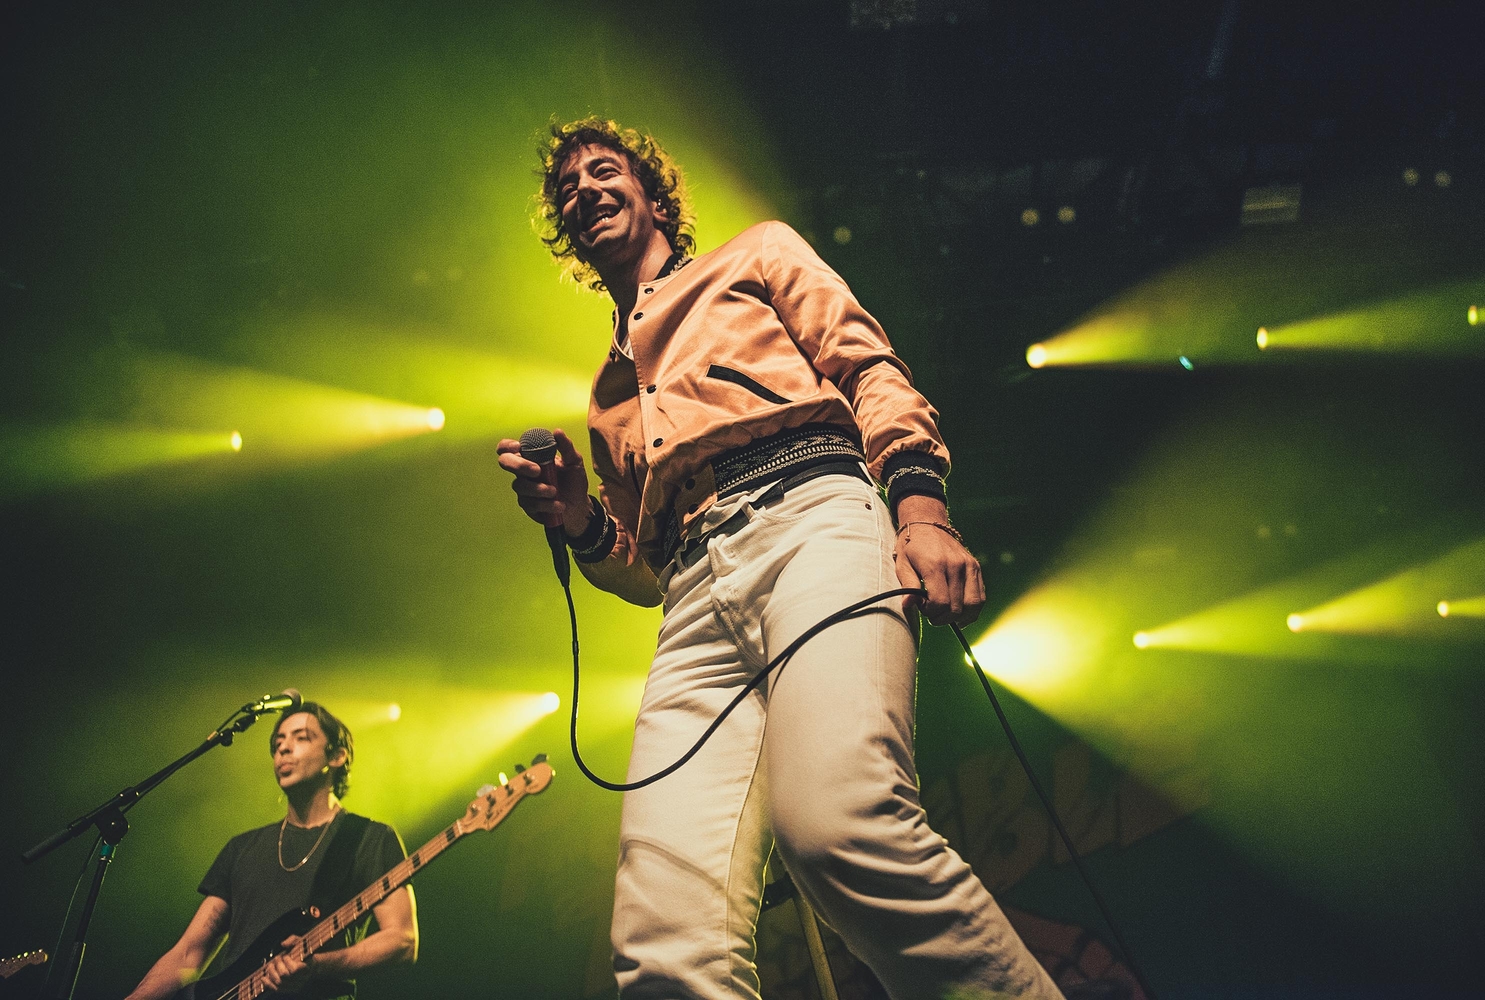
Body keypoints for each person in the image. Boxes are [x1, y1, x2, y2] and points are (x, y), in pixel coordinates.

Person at [497, 118, 1062, 1000]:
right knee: (663, 946)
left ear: (652, 196)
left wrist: (921, 510)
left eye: (602, 172)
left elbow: (869, 368)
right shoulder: (608, 397)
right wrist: (578, 517)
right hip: (691, 601)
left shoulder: (757, 252)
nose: (583, 193)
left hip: (809, 520)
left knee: (842, 828)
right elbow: (644, 575)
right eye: (566, 190)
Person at [125, 703, 417, 1000]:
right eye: (278, 743)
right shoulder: (242, 848)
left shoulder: (368, 838)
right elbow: (189, 953)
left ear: (337, 756)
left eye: (301, 738)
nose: (284, 749)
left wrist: (317, 966)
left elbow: (402, 940)